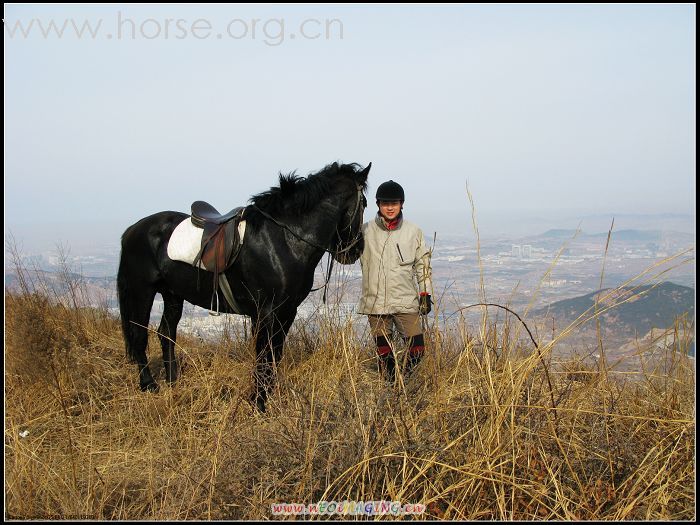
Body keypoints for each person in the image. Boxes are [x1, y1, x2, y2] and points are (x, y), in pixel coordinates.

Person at [358, 179, 433, 382]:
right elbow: (345, 256)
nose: (390, 207)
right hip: (375, 303)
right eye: (385, 203)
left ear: (401, 204)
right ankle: (392, 389)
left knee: (417, 350)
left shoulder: (413, 231)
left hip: (405, 301)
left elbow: (422, 265)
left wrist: (425, 293)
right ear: (378, 205)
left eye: (394, 203)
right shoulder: (364, 231)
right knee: (385, 357)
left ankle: (405, 381)